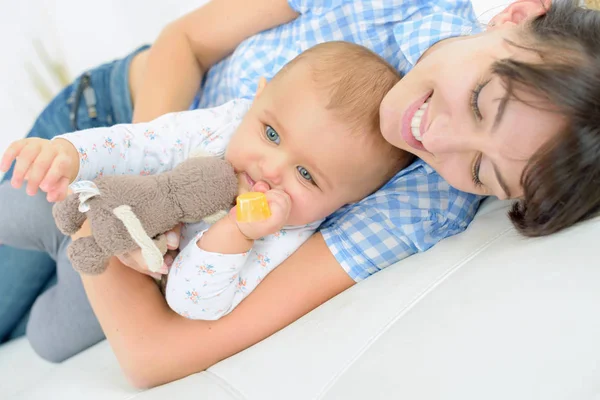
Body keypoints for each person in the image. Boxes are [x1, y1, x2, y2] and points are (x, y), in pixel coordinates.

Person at [1, 0, 599, 388]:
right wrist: (142, 183)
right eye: (480, 102)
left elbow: (155, 353)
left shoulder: (423, 208)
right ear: (516, 16)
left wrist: (113, 219)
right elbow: (184, 41)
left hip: (131, 245)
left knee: (41, 328)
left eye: (480, 170)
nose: (438, 138)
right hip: (104, 125)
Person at [1, 41, 410, 321]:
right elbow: (142, 142)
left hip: (128, 278)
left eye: (306, 175)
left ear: (346, 202)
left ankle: (55, 268)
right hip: (110, 208)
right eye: (271, 134)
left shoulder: (288, 236)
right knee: (18, 205)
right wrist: (72, 153)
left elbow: (190, 301)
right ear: (258, 98)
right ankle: (51, 236)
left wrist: (237, 233)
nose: (270, 168)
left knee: (47, 337)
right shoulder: (227, 125)